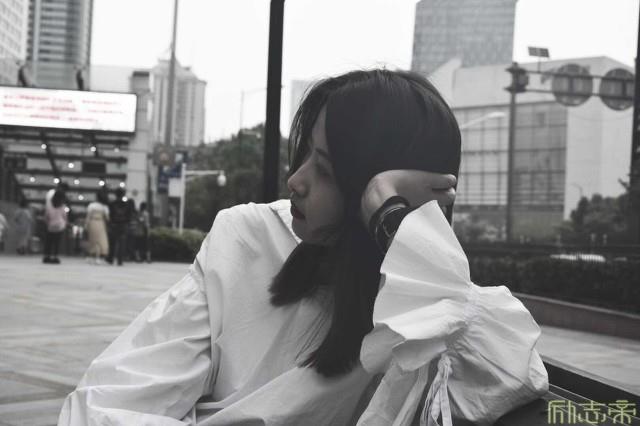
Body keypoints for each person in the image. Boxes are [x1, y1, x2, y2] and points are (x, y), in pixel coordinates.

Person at [58, 70, 547, 425]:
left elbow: (506, 374)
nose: (295, 180)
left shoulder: (426, 309)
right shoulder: (249, 238)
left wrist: (395, 223)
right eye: (306, 154)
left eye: (327, 170)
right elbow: (107, 403)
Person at [106, 188, 132, 266]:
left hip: (114, 225)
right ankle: (120, 260)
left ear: (115, 194)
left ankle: (110, 258)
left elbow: (109, 215)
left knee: (112, 242)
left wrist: (110, 223)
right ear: (123, 194)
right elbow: (129, 216)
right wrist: (127, 223)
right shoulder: (127, 204)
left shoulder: (112, 204)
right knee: (122, 243)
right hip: (123, 225)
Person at [85, 190, 110, 264]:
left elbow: (88, 216)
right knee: (101, 240)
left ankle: (92, 256)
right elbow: (107, 218)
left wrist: (86, 225)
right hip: (101, 223)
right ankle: (98, 257)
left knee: (93, 239)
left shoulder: (92, 205)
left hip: (92, 222)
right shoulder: (104, 207)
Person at [43, 190, 67, 264]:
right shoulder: (62, 206)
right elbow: (64, 217)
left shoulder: (49, 206)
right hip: (59, 226)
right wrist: (65, 224)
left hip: (50, 226)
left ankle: (47, 256)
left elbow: (46, 216)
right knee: (57, 243)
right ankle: (55, 257)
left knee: (49, 242)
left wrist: (47, 224)